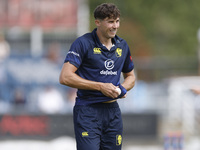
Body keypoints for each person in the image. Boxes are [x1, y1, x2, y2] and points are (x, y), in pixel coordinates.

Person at [59, 3, 135, 150]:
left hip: (112, 111)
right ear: (98, 22)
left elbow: (130, 76)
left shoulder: (122, 46)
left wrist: (121, 89)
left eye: (117, 21)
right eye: (110, 21)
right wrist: (100, 86)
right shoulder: (83, 43)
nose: (115, 26)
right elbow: (65, 77)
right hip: (88, 110)